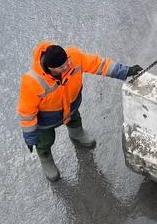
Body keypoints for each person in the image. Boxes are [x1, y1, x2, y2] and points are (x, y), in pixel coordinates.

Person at [18, 42, 142, 182]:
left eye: (67, 62)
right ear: (51, 68)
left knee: (75, 120)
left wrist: (125, 71)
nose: (68, 66)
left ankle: (76, 134)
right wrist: (30, 137)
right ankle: (45, 157)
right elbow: (27, 113)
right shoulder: (32, 82)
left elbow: (99, 64)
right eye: (62, 67)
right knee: (45, 141)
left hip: (71, 107)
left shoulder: (74, 58)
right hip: (46, 120)